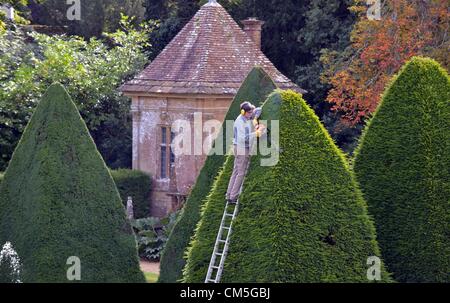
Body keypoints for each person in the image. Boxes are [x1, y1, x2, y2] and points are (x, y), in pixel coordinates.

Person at [225, 102, 266, 204]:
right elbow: (243, 138)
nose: (251, 114)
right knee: (241, 173)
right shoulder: (240, 122)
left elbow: (259, 109)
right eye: (250, 113)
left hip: (239, 148)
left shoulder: (246, 117)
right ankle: (233, 197)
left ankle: (229, 194)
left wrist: (255, 117)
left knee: (235, 172)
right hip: (241, 148)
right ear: (244, 112)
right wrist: (257, 132)